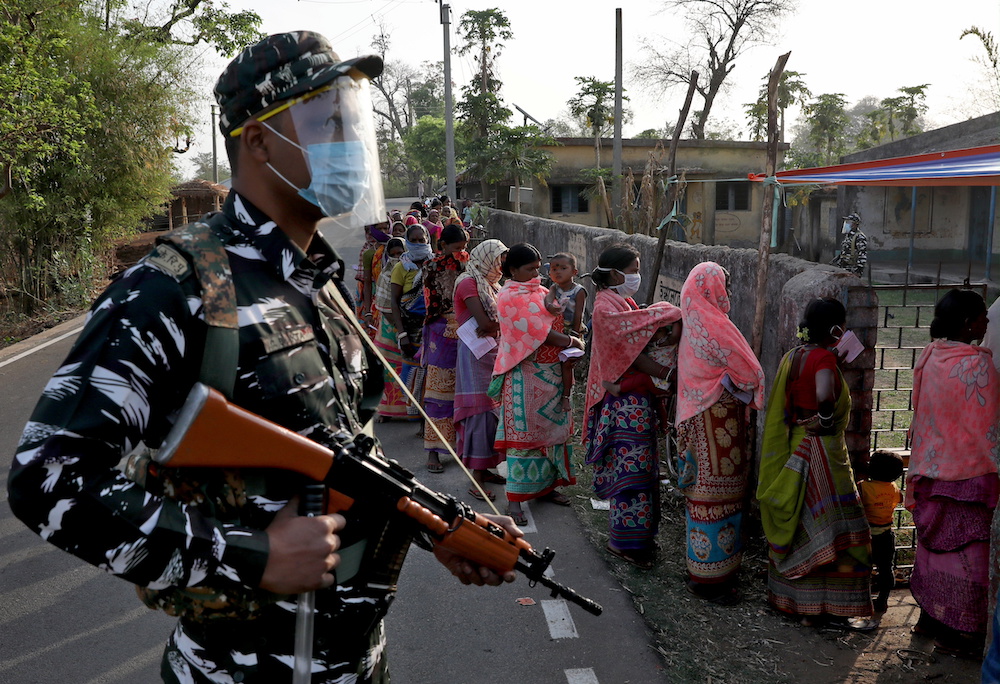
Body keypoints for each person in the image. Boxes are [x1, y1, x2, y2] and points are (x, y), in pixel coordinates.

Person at [7, 31, 518, 683]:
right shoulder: (179, 286)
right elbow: (46, 474)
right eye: (327, 124)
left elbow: (342, 452)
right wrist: (245, 553)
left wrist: (432, 522)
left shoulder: (319, 281)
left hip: (357, 666)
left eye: (351, 122)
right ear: (258, 142)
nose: (353, 147)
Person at [758, 298, 876, 631]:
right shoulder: (823, 359)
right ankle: (832, 609)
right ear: (837, 329)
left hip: (796, 446)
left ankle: (795, 602)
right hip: (822, 450)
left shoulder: (793, 356)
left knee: (801, 523)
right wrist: (825, 419)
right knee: (842, 527)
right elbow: (824, 395)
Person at [907, 289, 998, 658]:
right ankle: (959, 631)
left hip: (932, 466)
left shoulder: (931, 355)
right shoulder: (979, 367)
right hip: (970, 471)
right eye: (981, 316)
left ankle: (930, 617)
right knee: (970, 552)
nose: (987, 321)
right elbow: (987, 421)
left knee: (933, 548)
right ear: (967, 323)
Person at [672, 262, 765, 604]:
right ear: (713, 288)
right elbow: (751, 372)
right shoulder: (714, 324)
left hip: (695, 420)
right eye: (723, 284)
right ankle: (711, 580)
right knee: (718, 496)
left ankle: (702, 566)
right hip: (717, 420)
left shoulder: (691, 318)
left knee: (701, 494)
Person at [583, 243, 681, 569]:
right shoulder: (605, 309)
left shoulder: (620, 301)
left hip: (636, 403)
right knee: (631, 475)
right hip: (624, 405)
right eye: (634, 268)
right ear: (614, 273)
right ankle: (625, 543)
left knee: (643, 474)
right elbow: (630, 354)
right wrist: (666, 372)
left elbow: (640, 335)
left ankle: (640, 539)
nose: (636, 275)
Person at [492, 243, 582, 525]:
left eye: (537, 267)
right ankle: (515, 501)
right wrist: (571, 342)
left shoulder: (541, 292)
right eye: (529, 269)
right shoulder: (508, 297)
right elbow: (539, 332)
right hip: (525, 377)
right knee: (524, 439)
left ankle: (547, 488)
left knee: (551, 435)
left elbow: (555, 318)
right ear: (513, 270)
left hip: (553, 376)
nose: (536, 273)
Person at [453, 239, 509, 502]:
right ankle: (476, 478)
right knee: (480, 412)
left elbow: (493, 325)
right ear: (486, 258)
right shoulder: (468, 282)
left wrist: (496, 326)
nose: (501, 266)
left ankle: (484, 469)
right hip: (476, 355)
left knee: (494, 412)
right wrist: (499, 325)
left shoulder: (490, 284)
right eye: (498, 260)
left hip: (493, 352)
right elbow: (486, 322)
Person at [421, 224, 469, 477]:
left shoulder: (468, 265)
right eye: (457, 248)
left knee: (465, 390)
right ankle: (433, 450)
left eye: (464, 248)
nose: (461, 252)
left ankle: (463, 447)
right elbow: (436, 302)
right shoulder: (431, 267)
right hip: (441, 332)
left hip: (465, 331)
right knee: (439, 391)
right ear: (443, 246)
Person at [389, 224, 432, 428]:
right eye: (413, 240)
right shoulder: (401, 267)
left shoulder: (435, 263)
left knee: (433, 373)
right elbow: (394, 302)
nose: (417, 244)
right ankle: (416, 416)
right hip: (411, 328)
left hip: (433, 326)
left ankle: (429, 421)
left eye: (420, 240)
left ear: (427, 240)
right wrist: (402, 333)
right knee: (413, 373)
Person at [860, 450, 904, 614]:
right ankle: (883, 600)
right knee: (886, 568)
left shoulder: (863, 487)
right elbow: (900, 499)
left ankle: (862, 599)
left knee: (863, 568)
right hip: (886, 535)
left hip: (867, 537)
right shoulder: (894, 489)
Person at [544, 252, 588, 412]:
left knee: (567, 364)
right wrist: (549, 305)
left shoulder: (579, 291)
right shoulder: (554, 288)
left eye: (563, 268)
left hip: (572, 332)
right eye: (554, 269)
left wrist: (575, 335)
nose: (557, 272)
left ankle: (566, 397)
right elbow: (548, 298)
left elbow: (579, 313)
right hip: (558, 332)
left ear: (574, 272)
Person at [831, 212, 868, 277]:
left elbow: (862, 255)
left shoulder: (860, 237)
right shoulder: (849, 236)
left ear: (855, 224)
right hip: (843, 267)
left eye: (849, 222)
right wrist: (839, 257)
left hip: (852, 269)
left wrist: (859, 270)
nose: (846, 224)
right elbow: (847, 250)